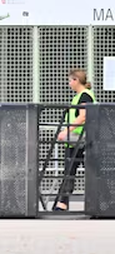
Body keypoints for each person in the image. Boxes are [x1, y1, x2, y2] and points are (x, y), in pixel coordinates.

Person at [54, 68, 95, 212]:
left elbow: (83, 116)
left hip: (80, 139)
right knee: (70, 170)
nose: (69, 84)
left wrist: (66, 131)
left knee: (72, 170)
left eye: (70, 80)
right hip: (77, 139)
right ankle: (61, 203)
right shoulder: (80, 96)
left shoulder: (84, 96)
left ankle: (62, 203)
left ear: (76, 80)